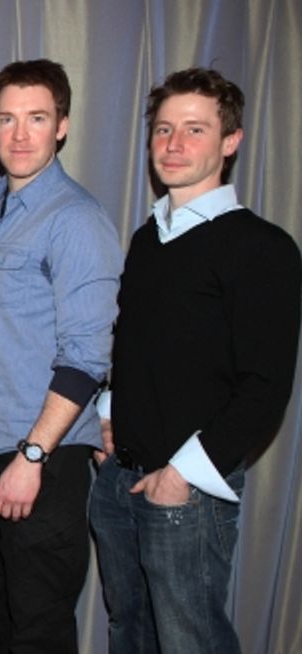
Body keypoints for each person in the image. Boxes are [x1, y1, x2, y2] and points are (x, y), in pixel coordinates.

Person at [90, 67, 301, 654]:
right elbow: (132, 343)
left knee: (191, 642)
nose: (173, 146)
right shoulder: (147, 239)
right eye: (162, 130)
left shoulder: (262, 248)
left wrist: (181, 476)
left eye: (194, 130)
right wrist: (111, 414)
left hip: (187, 494)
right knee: (128, 633)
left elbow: (264, 389)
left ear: (230, 141)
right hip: (119, 482)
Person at [0, 59, 123, 653]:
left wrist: (33, 455)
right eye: (7, 119)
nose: (19, 134)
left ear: (63, 127)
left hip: (40, 462)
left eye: (36, 118)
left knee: (39, 631)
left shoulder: (75, 219)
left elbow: (87, 354)